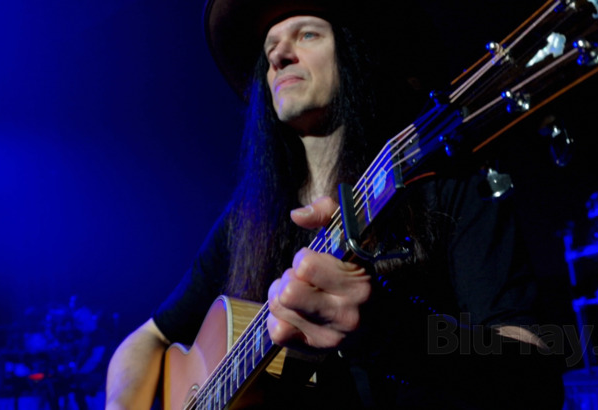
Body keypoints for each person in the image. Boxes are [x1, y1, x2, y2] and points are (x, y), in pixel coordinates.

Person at [105, 0, 565, 408]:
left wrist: (388, 330)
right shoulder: (245, 223)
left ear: (353, 53)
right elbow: (147, 339)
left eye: (307, 34)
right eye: (270, 49)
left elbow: (537, 378)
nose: (279, 56)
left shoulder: (442, 181)